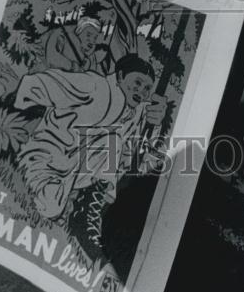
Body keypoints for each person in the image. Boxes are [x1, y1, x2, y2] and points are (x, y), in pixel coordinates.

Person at [14, 53, 167, 258]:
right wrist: (19, 107)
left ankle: (88, 210)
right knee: (48, 208)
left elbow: (143, 145)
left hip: (78, 170)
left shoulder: (136, 111)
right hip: (47, 159)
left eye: (147, 88)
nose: (141, 91)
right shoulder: (94, 86)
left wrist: (156, 121)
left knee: (112, 141)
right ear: (120, 76)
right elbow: (42, 84)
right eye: (137, 83)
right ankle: (69, 203)